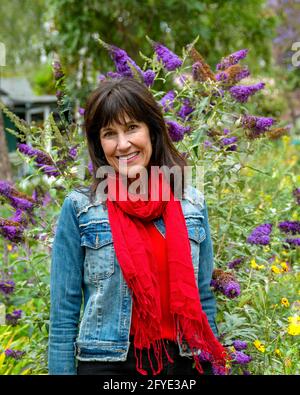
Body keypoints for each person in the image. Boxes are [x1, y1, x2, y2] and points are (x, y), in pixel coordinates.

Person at [48, 78, 228, 376]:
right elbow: (63, 315)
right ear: (98, 143)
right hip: (107, 364)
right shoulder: (81, 208)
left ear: (152, 132)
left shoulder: (191, 203)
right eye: (109, 133)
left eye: (132, 128)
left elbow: (203, 298)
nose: (122, 144)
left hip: (185, 363)